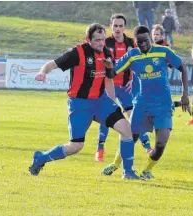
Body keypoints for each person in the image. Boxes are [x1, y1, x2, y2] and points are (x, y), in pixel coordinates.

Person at [29, 23, 143, 180]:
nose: (101, 43)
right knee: (76, 146)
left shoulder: (107, 53)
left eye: (103, 39)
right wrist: (42, 72)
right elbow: (52, 64)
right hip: (80, 104)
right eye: (97, 40)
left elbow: (109, 78)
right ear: (88, 39)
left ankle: (128, 172)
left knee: (127, 130)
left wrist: (112, 98)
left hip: (101, 102)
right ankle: (41, 158)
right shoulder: (77, 53)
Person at [109, 25, 190, 180]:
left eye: (146, 41)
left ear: (150, 39)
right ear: (136, 42)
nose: (143, 44)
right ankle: (116, 164)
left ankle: (146, 170)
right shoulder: (132, 55)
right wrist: (107, 65)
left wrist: (185, 94)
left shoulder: (163, 51)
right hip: (141, 105)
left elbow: (183, 68)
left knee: (160, 144)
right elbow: (113, 72)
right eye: (140, 42)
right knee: (129, 138)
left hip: (163, 105)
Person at [94, 14, 152, 163]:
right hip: (110, 85)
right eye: (115, 26)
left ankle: (147, 147)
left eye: (120, 26)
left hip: (126, 89)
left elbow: (138, 61)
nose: (118, 29)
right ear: (110, 26)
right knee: (106, 116)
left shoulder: (131, 43)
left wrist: (132, 78)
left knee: (135, 117)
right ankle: (100, 149)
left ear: (124, 27)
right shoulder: (105, 43)